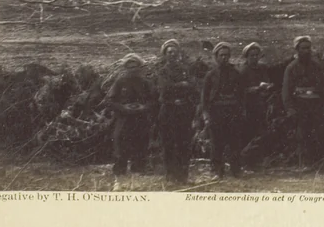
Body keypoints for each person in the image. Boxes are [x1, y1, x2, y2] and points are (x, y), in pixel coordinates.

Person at [105, 53, 155, 189]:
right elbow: (110, 100)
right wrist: (123, 108)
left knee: (140, 149)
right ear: (125, 68)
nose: (133, 70)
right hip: (124, 121)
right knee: (120, 150)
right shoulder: (120, 82)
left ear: (139, 67)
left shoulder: (146, 83)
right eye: (129, 67)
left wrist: (143, 107)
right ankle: (119, 181)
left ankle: (135, 181)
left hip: (141, 120)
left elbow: (154, 101)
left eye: (135, 67)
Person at [282, 35, 324, 170]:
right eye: (303, 48)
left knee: (318, 131)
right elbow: (286, 90)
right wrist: (290, 108)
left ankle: (318, 162)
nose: (306, 51)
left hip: (315, 103)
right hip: (300, 103)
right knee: (302, 133)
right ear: (297, 50)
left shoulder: (316, 66)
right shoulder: (291, 68)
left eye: (308, 48)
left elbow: (323, 87)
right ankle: (304, 162)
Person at [154, 39, 197, 187]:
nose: (172, 54)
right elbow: (164, 88)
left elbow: (192, 86)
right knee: (169, 144)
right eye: (169, 52)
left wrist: (180, 87)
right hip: (168, 111)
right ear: (165, 54)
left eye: (174, 52)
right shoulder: (162, 71)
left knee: (183, 143)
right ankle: (171, 176)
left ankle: (183, 176)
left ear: (178, 53)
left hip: (183, 111)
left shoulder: (185, 70)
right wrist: (182, 85)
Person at [200, 42, 245, 180]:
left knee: (234, 142)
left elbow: (241, 95)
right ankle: (217, 171)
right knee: (216, 142)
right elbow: (204, 98)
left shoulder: (236, 73)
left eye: (226, 55)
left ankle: (236, 170)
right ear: (216, 57)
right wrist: (206, 114)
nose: (224, 58)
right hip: (216, 112)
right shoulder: (211, 75)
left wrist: (240, 111)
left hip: (232, 111)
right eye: (221, 55)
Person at [239, 42, 274, 168]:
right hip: (249, 106)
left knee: (263, 132)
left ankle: (259, 160)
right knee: (249, 132)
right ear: (247, 57)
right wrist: (257, 88)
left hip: (263, 105)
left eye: (256, 55)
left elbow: (269, 81)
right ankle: (246, 161)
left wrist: (268, 86)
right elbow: (241, 91)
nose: (254, 57)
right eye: (251, 55)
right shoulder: (243, 71)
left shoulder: (263, 68)